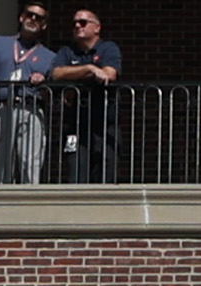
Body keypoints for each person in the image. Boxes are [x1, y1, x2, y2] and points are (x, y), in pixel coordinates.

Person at [0, 6, 54, 182]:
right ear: (21, 18)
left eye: (39, 18)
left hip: (32, 109)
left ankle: (31, 201)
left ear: (44, 26)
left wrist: (43, 82)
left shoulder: (50, 57)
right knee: (3, 164)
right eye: (29, 15)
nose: (33, 19)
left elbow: (50, 98)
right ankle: (2, 203)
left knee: (30, 163)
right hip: (4, 108)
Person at [52, 6, 121, 179]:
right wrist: (89, 69)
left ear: (97, 28)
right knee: (76, 173)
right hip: (75, 124)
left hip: (105, 124)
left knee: (105, 174)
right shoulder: (66, 52)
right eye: (74, 23)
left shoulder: (108, 48)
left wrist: (75, 74)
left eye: (83, 22)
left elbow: (110, 73)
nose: (77, 26)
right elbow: (56, 73)